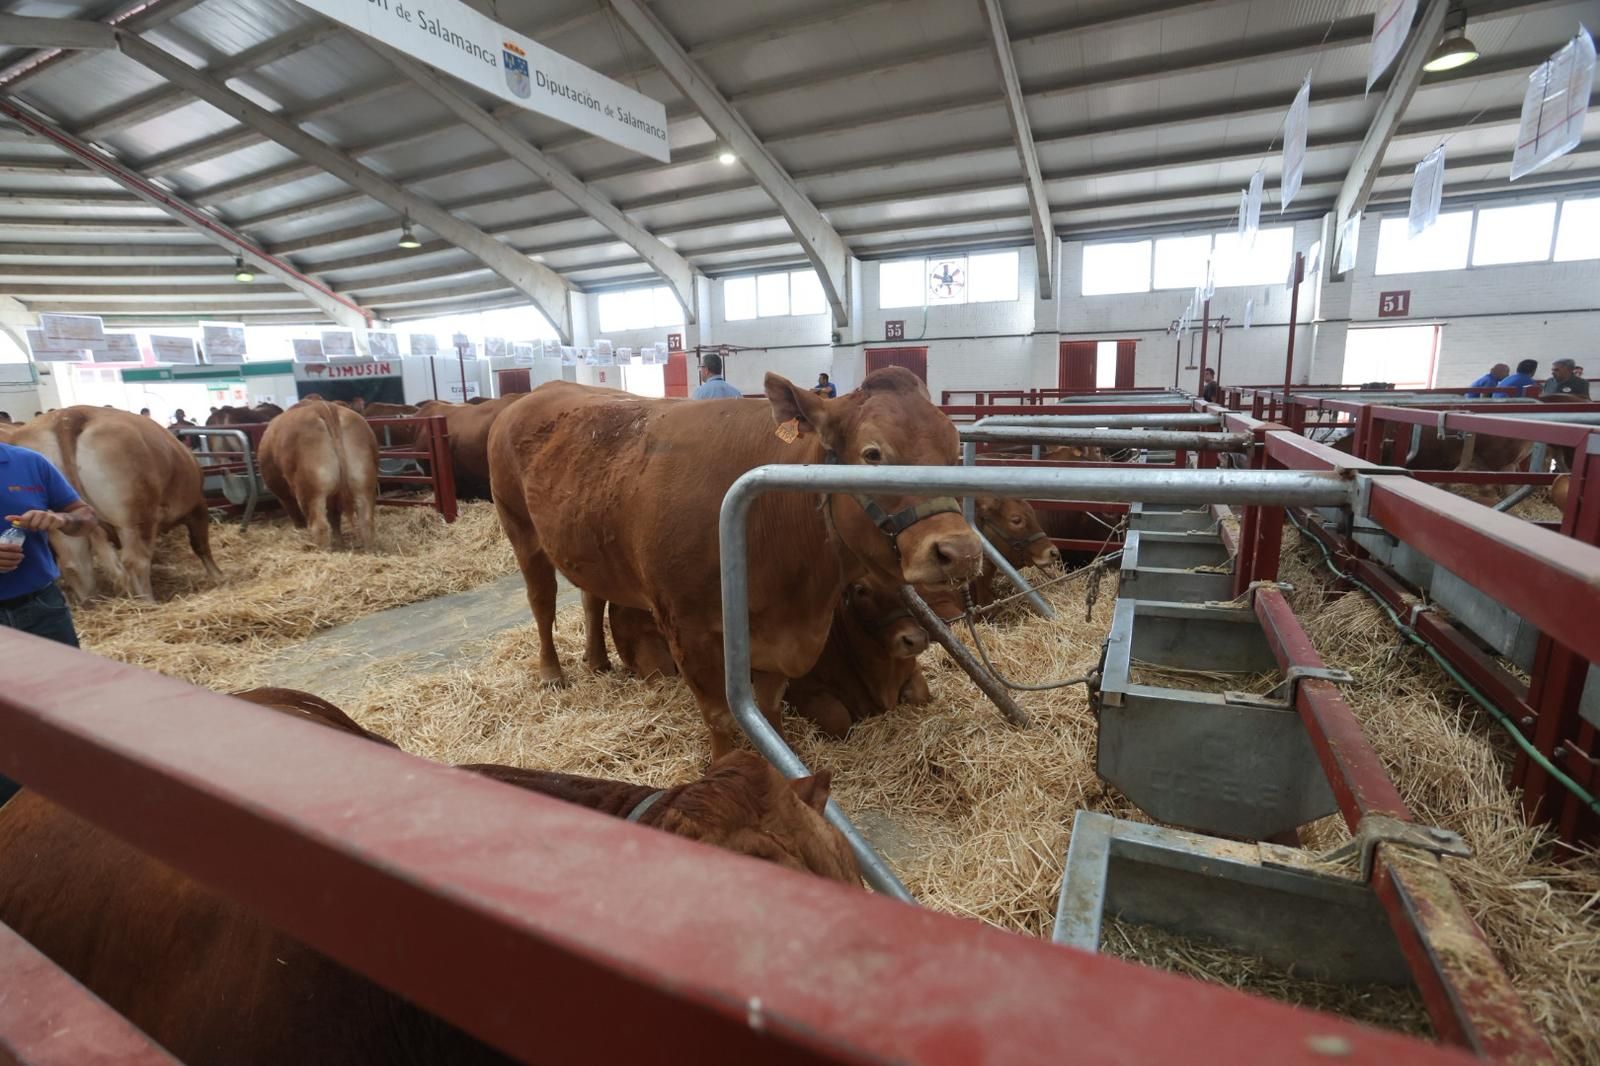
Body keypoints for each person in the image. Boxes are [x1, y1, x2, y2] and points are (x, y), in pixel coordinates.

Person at [0, 439, 99, 807]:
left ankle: (74, 803)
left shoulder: (29, 463)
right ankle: (15, 819)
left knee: (67, 707)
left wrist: (60, 519)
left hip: (42, 608)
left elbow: (85, 518)